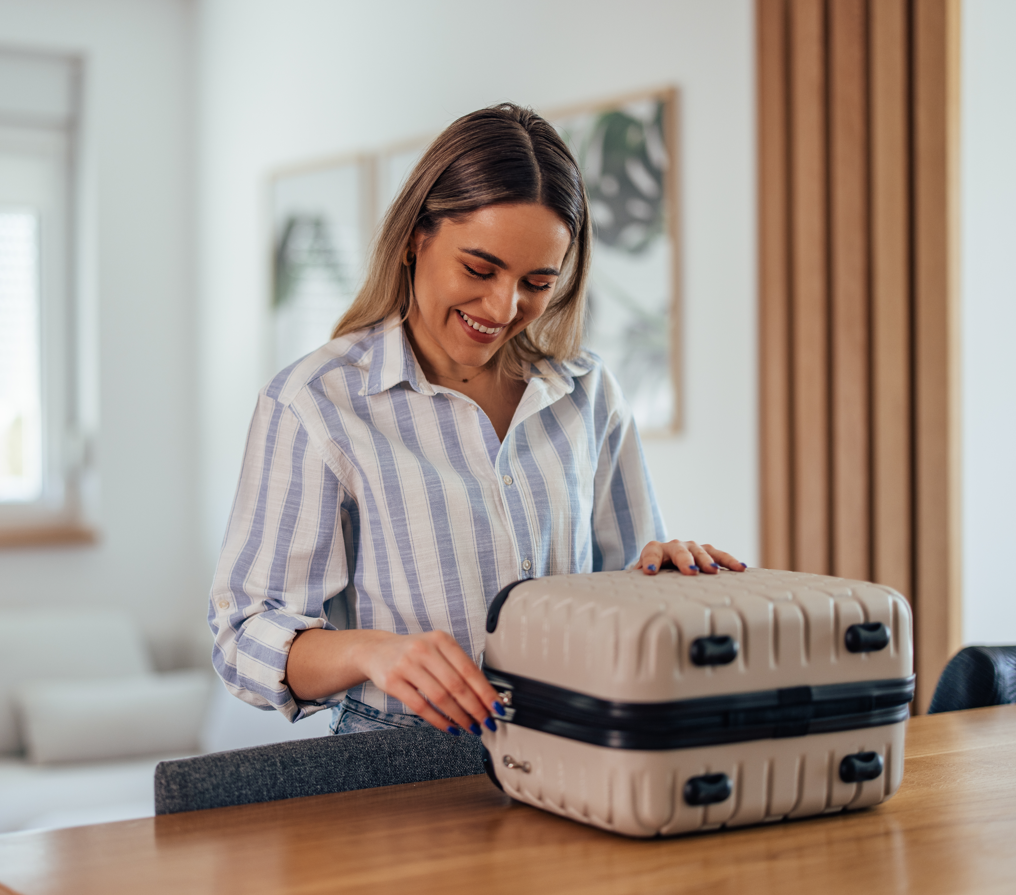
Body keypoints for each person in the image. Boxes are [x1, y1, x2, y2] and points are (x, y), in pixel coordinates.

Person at [210, 102, 744, 738]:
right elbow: (244, 639)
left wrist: (664, 574)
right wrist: (371, 651)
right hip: (402, 770)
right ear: (416, 238)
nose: (503, 307)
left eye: (536, 282)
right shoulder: (314, 403)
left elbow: (624, 594)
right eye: (479, 269)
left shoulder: (588, 393)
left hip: (576, 750)